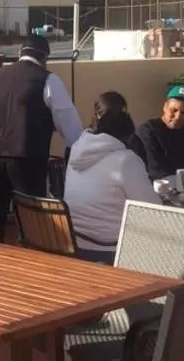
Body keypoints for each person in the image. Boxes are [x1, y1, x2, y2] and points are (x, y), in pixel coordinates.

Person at [0, 35, 84, 244]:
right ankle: (28, 267)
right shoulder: (47, 79)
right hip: (27, 157)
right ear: (45, 57)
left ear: (20, 53)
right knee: (30, 220)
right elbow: (69, 124)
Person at [64, 92, 159, 264]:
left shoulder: (76, 150)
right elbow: (152, 210)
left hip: (74, 242)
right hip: (110, 248)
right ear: (127, 136)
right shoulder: (126, 160)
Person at [130, 84, 184, 181]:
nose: (177, 117)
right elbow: (155, 170)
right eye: (174, 110)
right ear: (165, 107)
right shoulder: (148, 130)